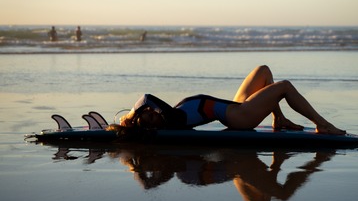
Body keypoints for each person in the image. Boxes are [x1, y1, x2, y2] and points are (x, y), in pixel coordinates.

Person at [118, 64, 346, 135]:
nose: (152, 114)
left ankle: (279, 119)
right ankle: (322, 124)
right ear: (153, 127)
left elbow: (147, 103)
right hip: (241, 117)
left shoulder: (169, 115)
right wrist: (130, 117)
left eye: (148, 113)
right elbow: (146, 97)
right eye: (150, 118)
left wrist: (131, 120)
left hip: (234, 107)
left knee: (263, 70)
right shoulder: (172, 119)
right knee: (284, 86)